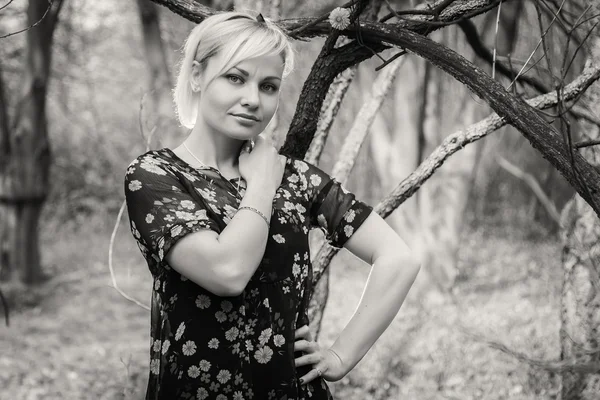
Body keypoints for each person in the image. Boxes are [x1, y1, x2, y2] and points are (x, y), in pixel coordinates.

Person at [124, 10, 420, 400]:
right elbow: (227, 272)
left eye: (268, 86)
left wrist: (340, 355)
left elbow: (398, 258)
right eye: (235, 78)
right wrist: (262, 181)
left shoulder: (299, 178)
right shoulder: (155, 175)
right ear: (197, 75)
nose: (252, 99)